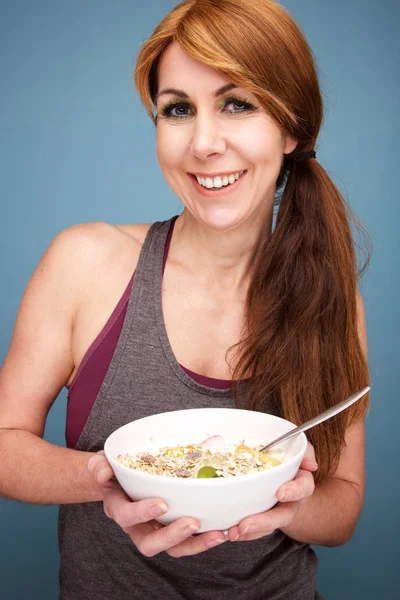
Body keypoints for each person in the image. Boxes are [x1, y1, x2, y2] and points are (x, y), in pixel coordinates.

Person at [0, 0, 371, 598]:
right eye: (177, 109)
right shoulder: (84, 262)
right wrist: (107, 478)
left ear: (291, 125)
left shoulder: (330, 296)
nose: (203, 143)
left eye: (237, 104)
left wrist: (286, 508)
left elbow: (343, 505)